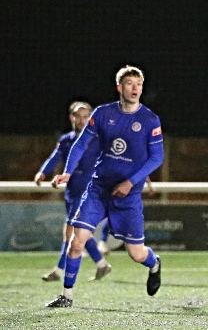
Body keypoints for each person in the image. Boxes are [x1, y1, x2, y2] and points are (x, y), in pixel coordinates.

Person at [45, 65, 164, 308]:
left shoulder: (150, 119)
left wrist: (131, 182)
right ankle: (66, 297)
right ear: (120, 87)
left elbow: (156, 158)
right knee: (76, 241)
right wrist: (67, 172)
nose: (135, 89)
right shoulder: (102, 114)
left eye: (139, 85)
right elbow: (80, 144)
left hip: (128, 196)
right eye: (130, 84)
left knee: (136, 254)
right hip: (98, 188)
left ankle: (155, 264)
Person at [35, 101, 111, 282]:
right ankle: (101, 264)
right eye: (78, 116)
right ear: (72, 118)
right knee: (78, 233)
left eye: (86, 116)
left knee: (72, 232)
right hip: (72, 191)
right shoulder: (66, 140)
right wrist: (43, 172)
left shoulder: (98, 138)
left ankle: (58, 271)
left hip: (89, 191)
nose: (82, 120)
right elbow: (56, 158)